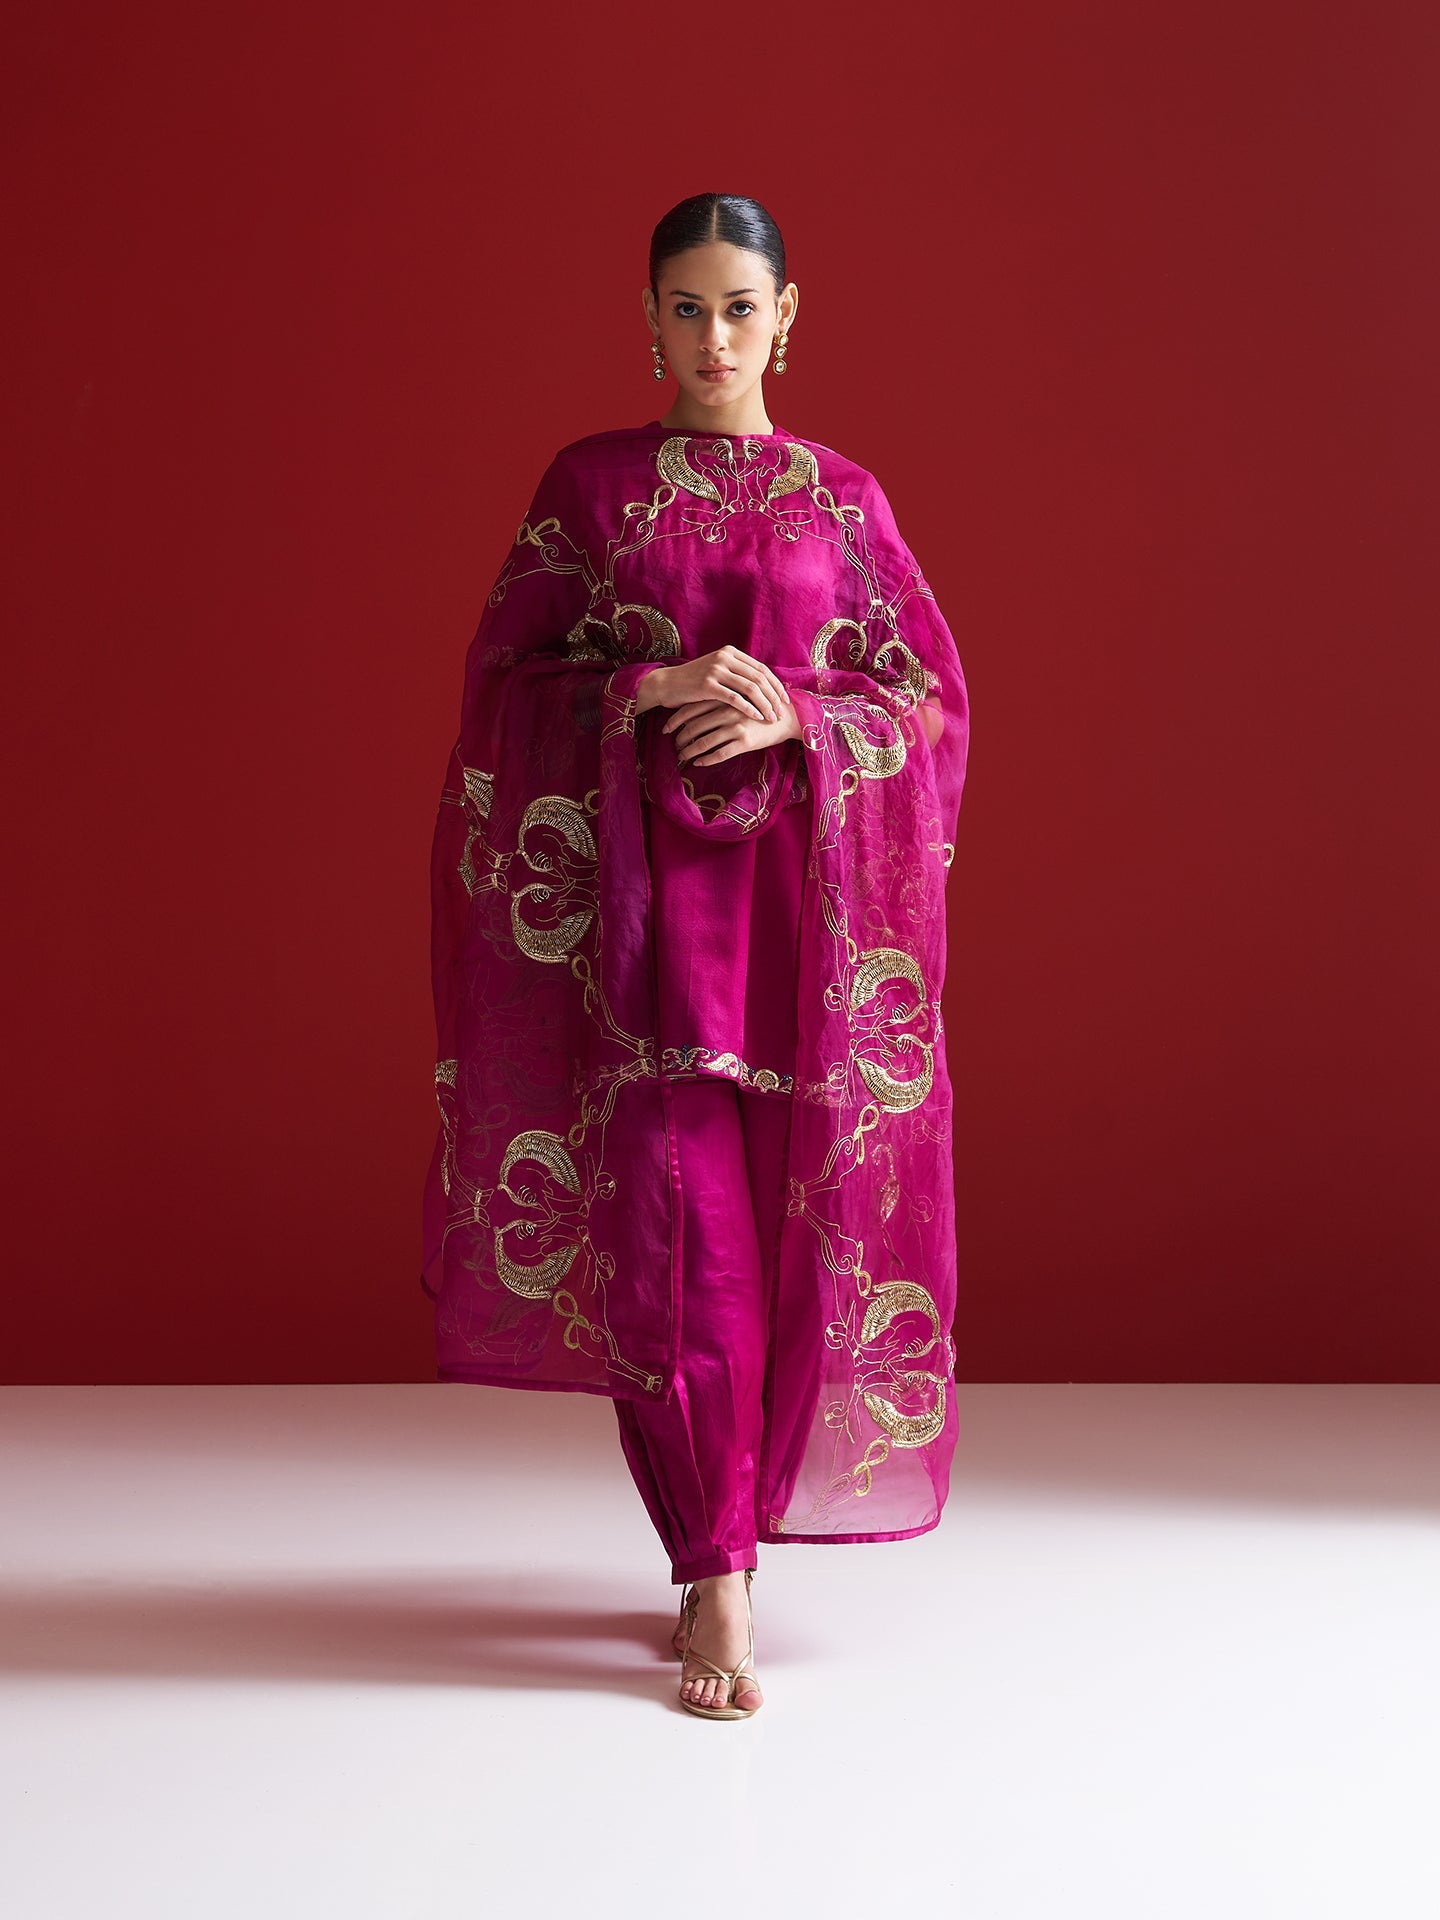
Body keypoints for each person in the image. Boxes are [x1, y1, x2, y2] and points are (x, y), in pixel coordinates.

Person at [421, 191, 971, 1720]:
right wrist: (649, 688)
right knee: (680, 1244)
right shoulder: (592, 490)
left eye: (740, 307)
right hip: (649, 935)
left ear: (788, 316)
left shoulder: (843, 501)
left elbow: (930, 707)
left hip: (799, 935)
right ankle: (714, 1566)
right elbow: (503, 690)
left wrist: (805, 715)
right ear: (648, 319)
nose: (713, 337)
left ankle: (731, 1525)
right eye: (686, 308)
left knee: (789, 1248)